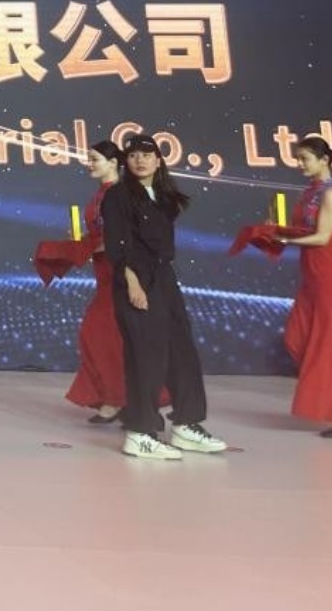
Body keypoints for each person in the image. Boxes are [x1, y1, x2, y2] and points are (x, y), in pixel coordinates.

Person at [102, 132, 226, 460]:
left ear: (158, 160)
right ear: (126, 162)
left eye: (146, 155)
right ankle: (140, 433)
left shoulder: (164, 197)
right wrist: (133, 283)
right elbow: (117, 245)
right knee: (146, 356)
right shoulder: (117, 196)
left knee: (181, 350)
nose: (140, 160)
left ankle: (186, 424)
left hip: (164, 278)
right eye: (133, 155)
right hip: (135, 277)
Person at [276, 135, 332, 437]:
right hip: (313, 277)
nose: (299, 164)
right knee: (298, 337)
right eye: (298, 158)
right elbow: (304, 229)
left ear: (324, 160)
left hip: (330, 278)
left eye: (304, 159)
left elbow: (323, 237)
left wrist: (286, 239)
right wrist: (275, 232)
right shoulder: (311, 191)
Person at [65, 140, 130, 423]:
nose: (89, 164)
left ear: (114, 162)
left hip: (122, 272)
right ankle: (120, 398)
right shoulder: (102, 193)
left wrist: (89, 247)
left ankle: (117, 399)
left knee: (102, 333)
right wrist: (82, 241)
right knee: (106, 335)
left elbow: (122, 237)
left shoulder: (121, 194)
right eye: (89, 159)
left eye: (95, 159)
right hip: (104, 272)